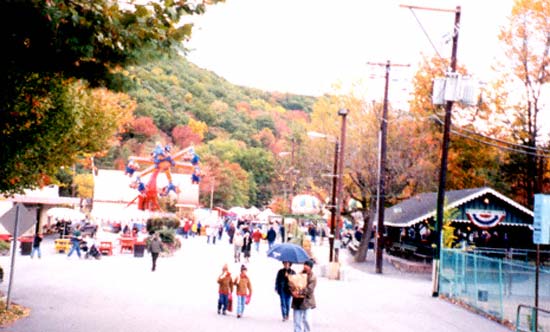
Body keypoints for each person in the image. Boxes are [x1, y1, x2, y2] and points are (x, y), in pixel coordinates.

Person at [291, 259, 317, 332]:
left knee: (307, 320)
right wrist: (292, 291)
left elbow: (309, 290)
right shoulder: (299, 275)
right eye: (304, 267)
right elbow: (293, 285)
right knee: (297, 321)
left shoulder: (313, 278)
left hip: (307, 301)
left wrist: (299, 292)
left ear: (310, 268)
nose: (305, 269)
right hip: (297, 301)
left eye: (307, 268)